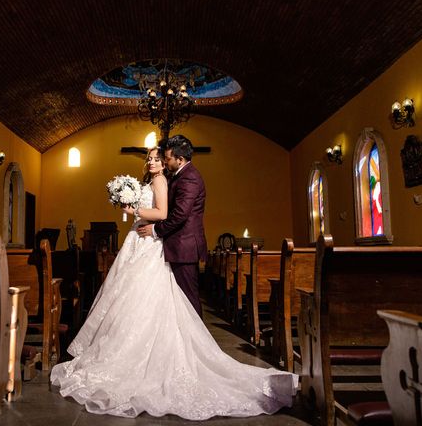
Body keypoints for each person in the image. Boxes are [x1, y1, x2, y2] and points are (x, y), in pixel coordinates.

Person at [49, 145, 298, 420]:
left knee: (161, 300)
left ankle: (185, 355)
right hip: (140, 243)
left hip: (152, 242)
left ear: (172, 159)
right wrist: (130, 206)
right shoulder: (155, 179)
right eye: (152, 158)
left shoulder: (167, 179)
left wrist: (135, 211)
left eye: (160, 158)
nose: (156, 162)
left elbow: (167, 214)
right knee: (131, 300)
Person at [137, 135, 205, 317]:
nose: (165, 162)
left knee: (188, 299)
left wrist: (155, 229)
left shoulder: (189, 178)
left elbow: (180, 214)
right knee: (179, 300)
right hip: (177, 246)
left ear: (180, 159)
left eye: (167, 158)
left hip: (184, 247)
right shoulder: (178, 175)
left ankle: (195, 343)